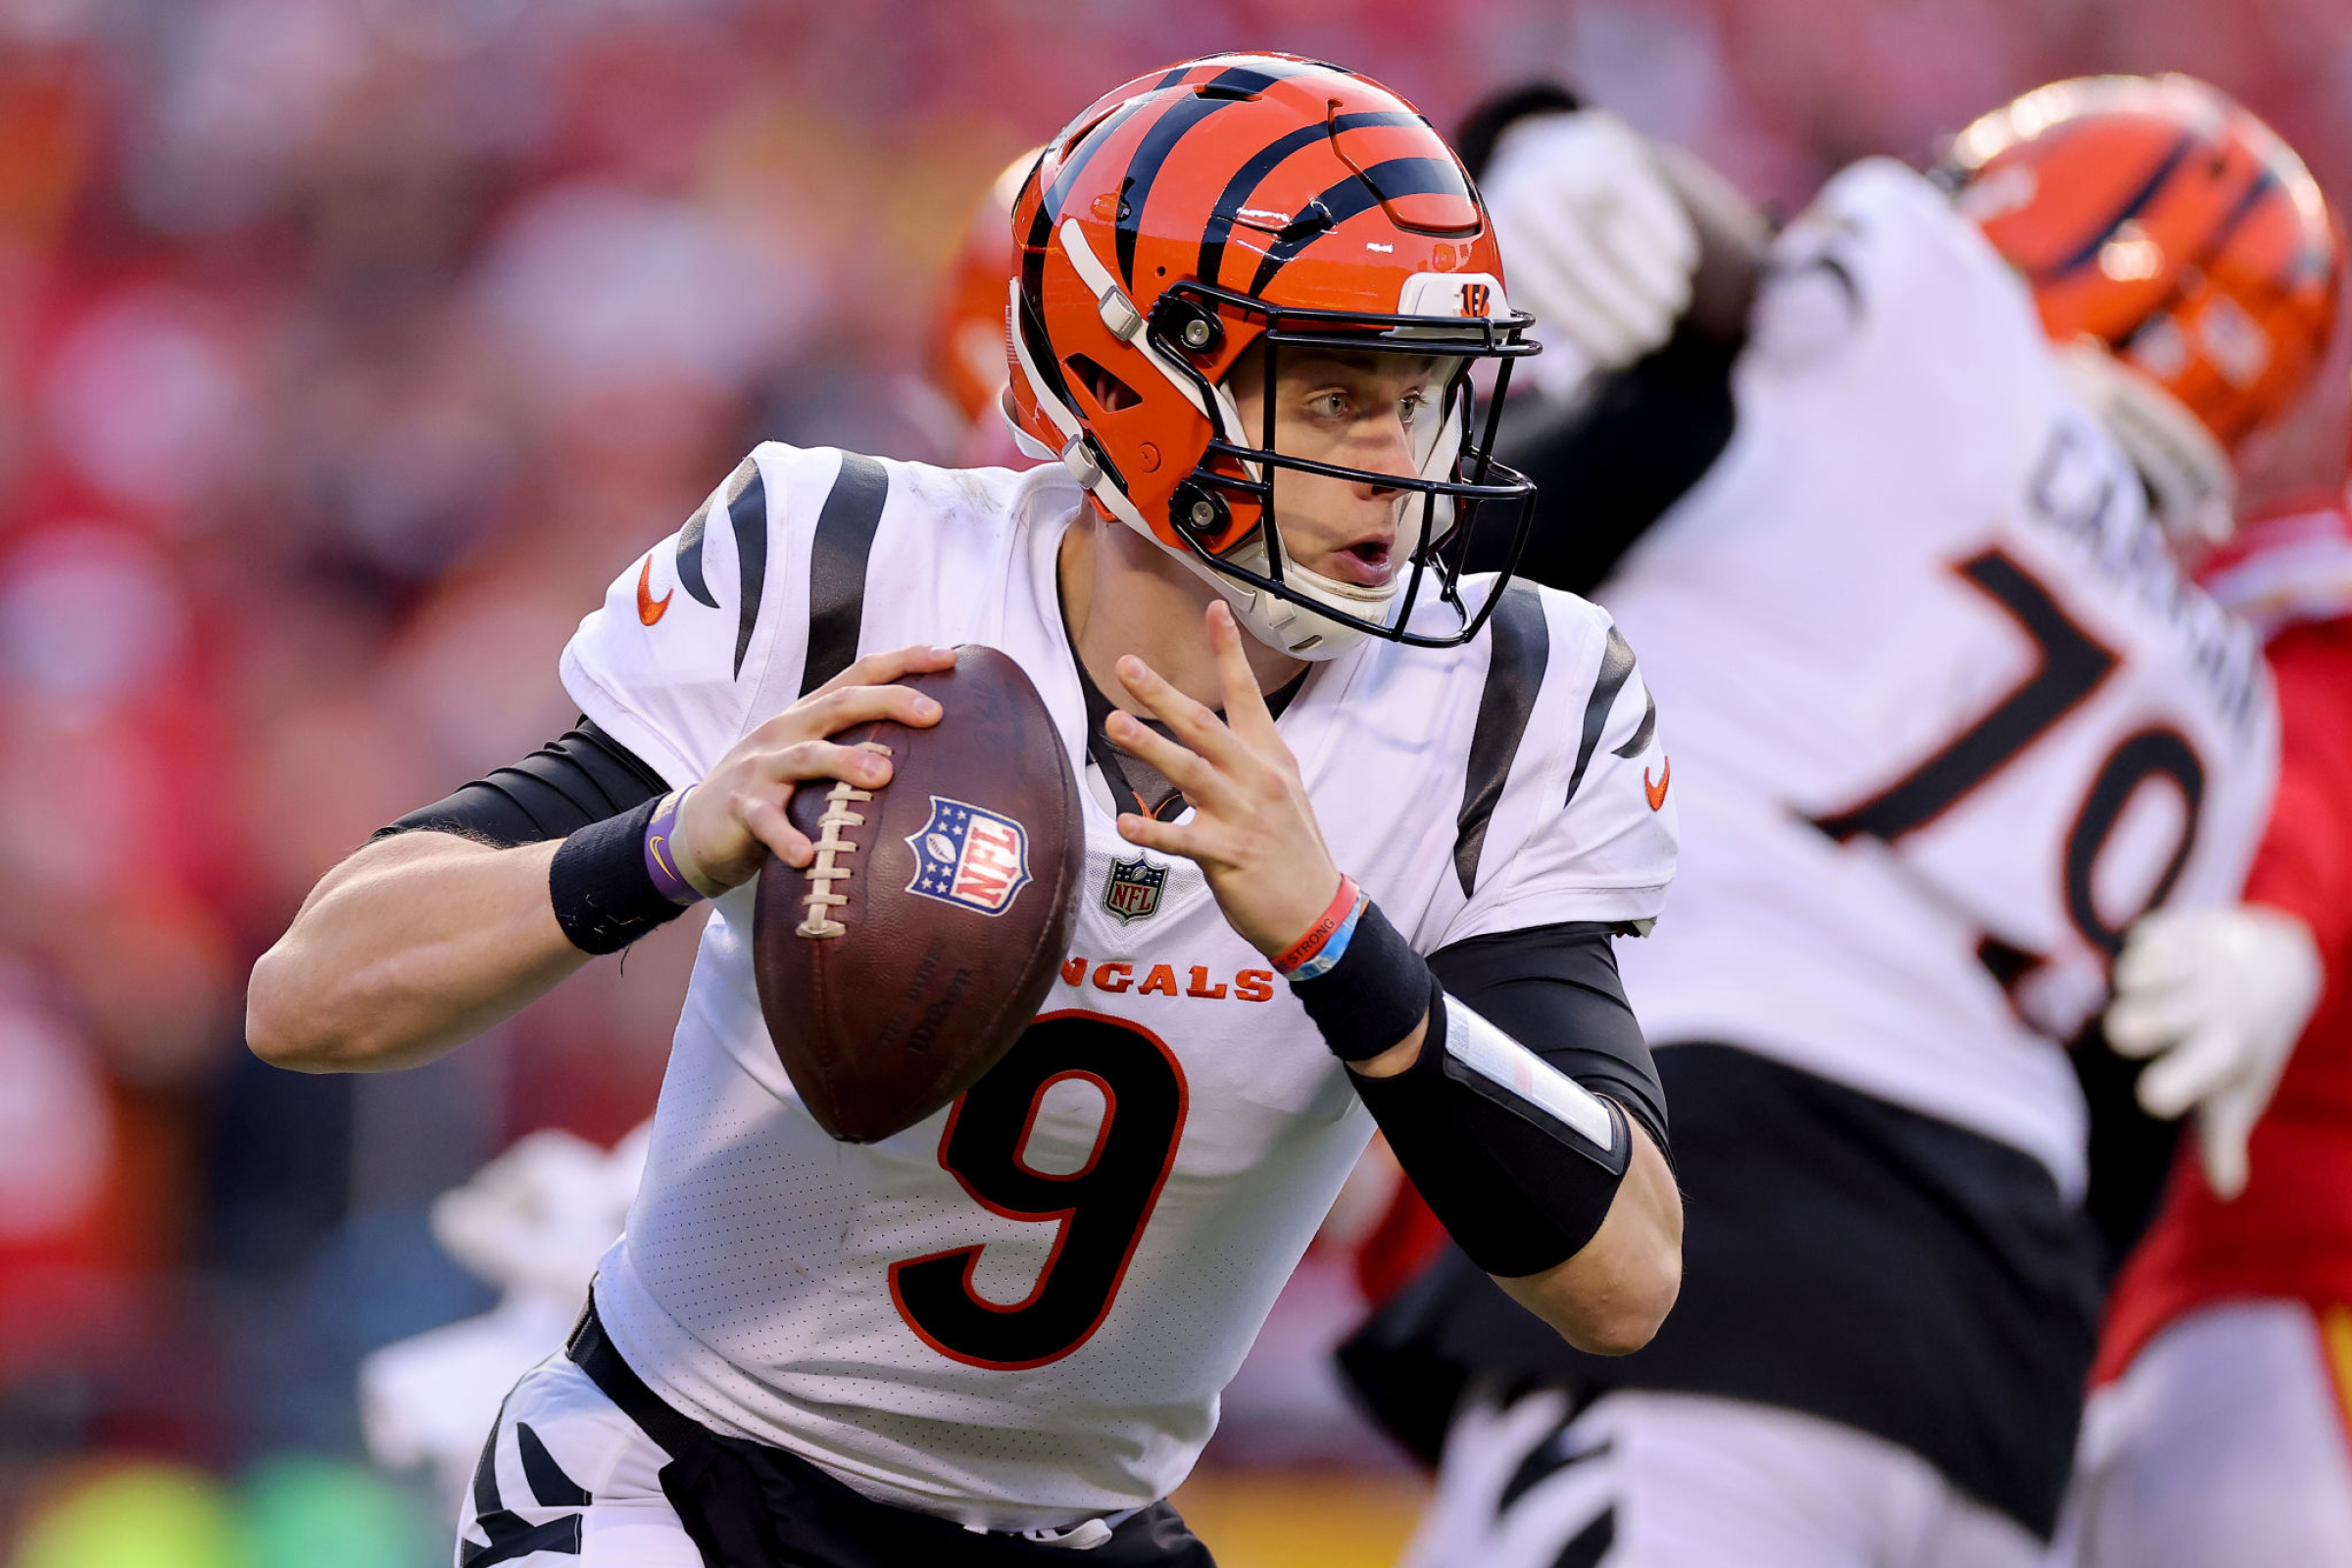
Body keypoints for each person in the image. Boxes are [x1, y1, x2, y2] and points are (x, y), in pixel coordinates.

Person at [246, 53, 1684, 1568]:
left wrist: (1338, 944)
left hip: (1080, 1528)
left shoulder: (1510, 697)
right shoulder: (846, 567)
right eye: (1336, 395)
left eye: (1424, 398)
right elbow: (310, 994)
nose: (1403, 473)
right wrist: (672, 842)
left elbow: (1627, 1277)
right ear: (1144, 374)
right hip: (683, 1486)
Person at [1341, 74, 2340, 1568]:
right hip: (1997, 1379)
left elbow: (1703, 288)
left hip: (1729, 1227)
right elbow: (2125, 1174)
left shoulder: (1916, 312)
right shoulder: (2227, 709)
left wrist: (1548, 138)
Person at [2067, 478, 2352, 1566]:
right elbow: (2315, 757)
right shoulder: (2303, 606)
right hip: (2268, 1299)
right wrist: (2275, 924)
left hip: (2149, 1319)